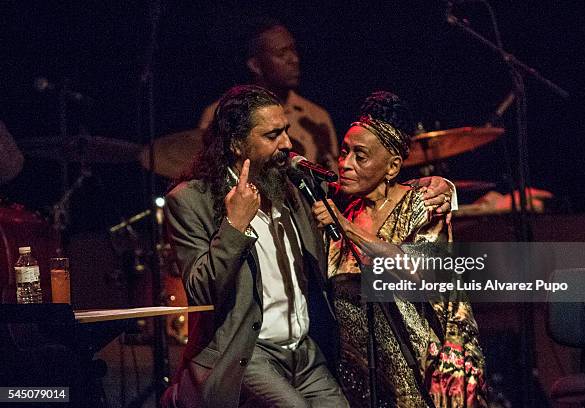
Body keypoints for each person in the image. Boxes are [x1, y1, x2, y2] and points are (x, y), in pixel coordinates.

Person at [162, 85, 349, 407]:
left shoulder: (289, 190)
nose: (287, 144)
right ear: (236, 143)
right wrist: (234, 226)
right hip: (248, 353)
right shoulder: (192, 200)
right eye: (272, 135)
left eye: (286, 131)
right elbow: (201, 290)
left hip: (303, 354)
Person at [312, 91, 488, 407]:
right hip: (359, 383)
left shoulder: (421, 206)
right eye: (344, 152)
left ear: (392, 167)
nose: (345, 164)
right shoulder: (343, 208)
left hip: (421, 377)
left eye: (360, 156)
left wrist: (348, 229)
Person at [199, 18, 340, 173]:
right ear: (256, 65)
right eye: (282, 53)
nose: (294, 59)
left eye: (293, 50)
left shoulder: (316, 116)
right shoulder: (222, 114)